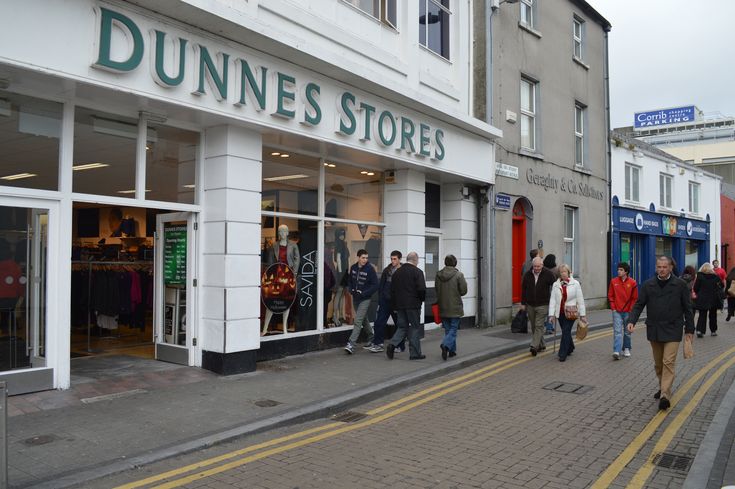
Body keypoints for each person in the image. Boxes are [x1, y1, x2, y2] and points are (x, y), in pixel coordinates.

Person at [627, 256, 695, 411]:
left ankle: (665, 395)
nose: (662, 269)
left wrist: (689, 330)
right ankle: (662, 385)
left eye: (665, 267)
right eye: (659, 267)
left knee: (668, 362)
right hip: (655, 329)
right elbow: (639, 304)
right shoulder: (648, 285)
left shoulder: (680, 285)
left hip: (673, 329)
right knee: (658, 364)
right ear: (656, 267)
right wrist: (631, 320)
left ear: (671, 268)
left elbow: (688, 309)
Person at [386, 251, 426, 360]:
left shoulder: (397, 273)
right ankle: (415, 354)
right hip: (413, 305)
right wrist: (421, 300)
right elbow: (421, 289)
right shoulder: (418, 272)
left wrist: (394, 305)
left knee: (402, 327)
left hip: (400, 305)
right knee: (414, 328)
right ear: (415, 260)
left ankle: (392, 344)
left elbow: (392, 291)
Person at [548, 263, 586, 362]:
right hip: (560, 313)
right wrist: (551, 315)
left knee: (565, 331)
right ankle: (570, 347)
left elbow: (580, 299)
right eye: (561, 272)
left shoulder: (575, 283)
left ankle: (562, 354)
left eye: (565, 271)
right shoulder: (556, 284)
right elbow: (552, 300)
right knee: (567, 332)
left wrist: (583, 315)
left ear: (569, 272)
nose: (563, 274)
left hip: (571, 312)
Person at [367, 250, 402, 353]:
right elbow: (381, 285)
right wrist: (381, 299)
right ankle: (378, 343)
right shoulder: (387, 270)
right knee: (379, 322)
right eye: (391, 259)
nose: (393, 261)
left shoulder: (402, 271)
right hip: (385, 301)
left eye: (395, 259)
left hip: (396, 303)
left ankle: (399, 345)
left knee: (399, 324)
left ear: (399, 259)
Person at [344, 249, 379, 354]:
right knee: (363, 319)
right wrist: (351, 290)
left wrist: (363, 293)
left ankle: (351, 344)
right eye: (363, 257)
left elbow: (375, 285)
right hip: (356, 298)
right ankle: (372, 337)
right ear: (358, 257)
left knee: (358, 320)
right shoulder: (354, 268)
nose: (365, 260)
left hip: (365, 298)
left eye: (366, 258)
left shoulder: (370, 269)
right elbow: (350, 281)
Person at [520, 257, 556, 356]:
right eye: (535, 266)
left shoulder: (548, 274)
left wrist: (555, 299)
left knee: (539, 325)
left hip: (543, 304)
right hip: (530, 304)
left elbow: (555, 286)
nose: (536, 268)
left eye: (538, 266)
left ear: (542, 265)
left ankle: (534, 346)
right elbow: (523, 289)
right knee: (533, 326)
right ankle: (542, 345)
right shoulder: (528, 275)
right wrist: (523, 303)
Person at [435, 254, 468, 361]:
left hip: (442, 306)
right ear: (455, 263)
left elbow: (436, 290)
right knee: (453, 329)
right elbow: (463, 291)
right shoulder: (459, 275)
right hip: (455, 307)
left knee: (448, 330)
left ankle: (451, 351)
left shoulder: (438, 274)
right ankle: (445, 345)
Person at [608, 262, 638, 360]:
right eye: (618, 269)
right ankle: (616, 350)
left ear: (626, 271)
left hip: (628, 311)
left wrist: (631, 309)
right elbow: (610, 295)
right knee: (617, 331)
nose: (618, 271)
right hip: (617, 311)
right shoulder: (613, 281)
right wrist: (613, 308)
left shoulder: (633, 283)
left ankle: (626, 348)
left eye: (621, 270)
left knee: (627, 332)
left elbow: (634, 298)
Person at [693, 262, 723, 338]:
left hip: (703, 298)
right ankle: (713, 331)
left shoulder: (700, 276)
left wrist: (699, 293)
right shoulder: (716, 277)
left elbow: (696, 288)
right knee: (713, 315)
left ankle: (700, 331)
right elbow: (722, 285)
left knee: (702, 315)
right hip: (714, 298)